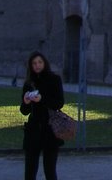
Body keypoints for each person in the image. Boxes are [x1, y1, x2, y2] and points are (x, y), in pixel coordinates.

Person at [19, 50, 65, 180]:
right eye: (34, 63)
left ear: (44, 63)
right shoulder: (29, 83)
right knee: (29, 171)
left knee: (50, 171)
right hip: (33, 130)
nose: (37, 65)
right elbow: (24, 111)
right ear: (31, 66)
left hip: (50, 129)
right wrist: (26, 102)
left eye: (39, 62)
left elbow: (59, 103)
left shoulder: (54, 79)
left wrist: (42, 99)